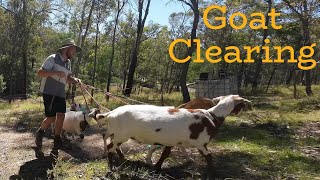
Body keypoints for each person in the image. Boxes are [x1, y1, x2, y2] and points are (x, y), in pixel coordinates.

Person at [35, 38, 82, 156]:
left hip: (60, 94)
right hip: (49, 92)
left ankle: (57, 140)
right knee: (51, 118)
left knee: (61, 116)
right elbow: (40, 72)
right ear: (67, 48)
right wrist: (54, 72)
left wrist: (75, 80)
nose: (74, 52)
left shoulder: (68, 63)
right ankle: (40, 132)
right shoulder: (53, 58)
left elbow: (68, 78)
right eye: (73, 50)